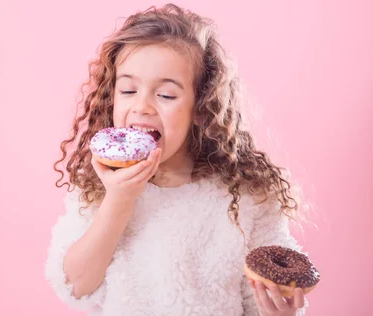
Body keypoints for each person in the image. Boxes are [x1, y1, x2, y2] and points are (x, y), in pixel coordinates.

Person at [45, 3, 311, 315]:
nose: (142, 106)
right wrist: (118, 201)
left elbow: (262, 297)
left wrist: (280, 310)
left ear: (202, 108)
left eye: (166, 95)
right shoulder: (98, 187)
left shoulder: (247, 196)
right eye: (128, 90)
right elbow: (75, 286)